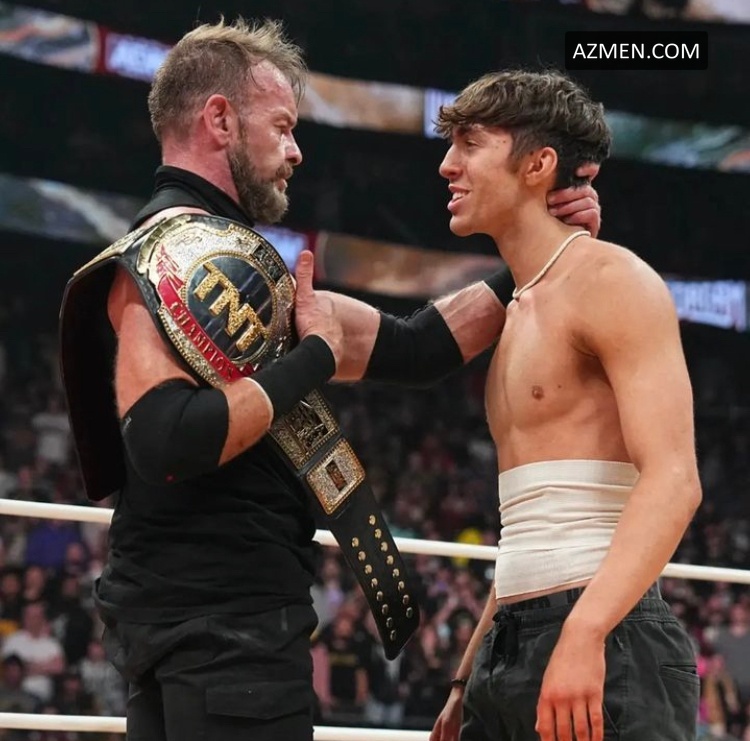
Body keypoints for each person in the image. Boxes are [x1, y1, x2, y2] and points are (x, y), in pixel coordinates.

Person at [59, 18, 602, 741]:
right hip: (224, 634)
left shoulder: (216, 266)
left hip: (191, 626)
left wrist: (543, 253)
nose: (296, 151)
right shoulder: (179, 260)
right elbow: (166, 443)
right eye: (282, 127)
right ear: (219, 120)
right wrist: (313, 356)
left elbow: (418, 348)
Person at [295, 69, 702, 741]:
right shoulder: (515, 309)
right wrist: (466, 676)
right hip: (510, 646)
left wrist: (586, 631)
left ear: (537, 165)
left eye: (470, 143)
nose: (447, 165)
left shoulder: (614, 281)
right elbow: (531, 522)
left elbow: (676, 479)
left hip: (605, 634)